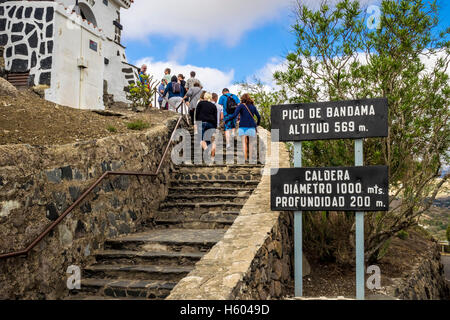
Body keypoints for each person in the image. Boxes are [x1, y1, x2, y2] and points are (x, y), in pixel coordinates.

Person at [226, 93, 261, 162]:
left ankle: (245, 159)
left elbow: (234, 115)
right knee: (251, 143)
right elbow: (259, 116)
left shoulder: (241, 106)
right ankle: (251, 159)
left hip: (243, 126)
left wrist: (226, 120)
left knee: (244, 143)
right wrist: (257, 124)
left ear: (242, 99)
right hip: (251, 126)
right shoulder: (253, 107)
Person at [195, 92, 218, 162]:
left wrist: (196, 123)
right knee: (211, 141)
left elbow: (197, 114)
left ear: (204, 97)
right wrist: (215, 127)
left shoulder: (200, 103)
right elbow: (215, 117)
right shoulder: (214, 106)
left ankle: (206, 150)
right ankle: (212, 158)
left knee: (201, 139)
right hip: (211, 124)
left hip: (201, 123)